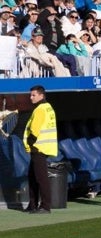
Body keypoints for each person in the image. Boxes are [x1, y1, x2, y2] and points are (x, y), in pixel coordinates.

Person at [23, 85, 57, 214]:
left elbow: (34, 130)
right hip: (43, 147)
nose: (30, 97)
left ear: (41, 95)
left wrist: (30, 144)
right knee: (33, 176)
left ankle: (45, 206)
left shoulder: (40, 109)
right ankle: (33, 204)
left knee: (40, 178)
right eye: (30, 95)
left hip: (38, 147)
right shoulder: (48, 108)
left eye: (33, 95)